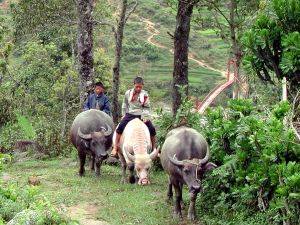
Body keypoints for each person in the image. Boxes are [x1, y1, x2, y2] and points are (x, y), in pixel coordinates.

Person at [111, 76, 156, 157]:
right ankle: (115, 148)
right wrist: (124, 114)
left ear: (142, 86)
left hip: (141, 115)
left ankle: (154, 149)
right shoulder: (128, 93)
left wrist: (145, 116)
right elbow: (125, 104)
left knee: (152, 129)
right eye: (137, 86)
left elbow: (147, 107)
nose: (138, 88)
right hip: (130, 114)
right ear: (134, 85)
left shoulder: (145, 94)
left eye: (140, 87)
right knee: (119, 128)